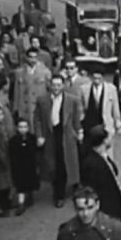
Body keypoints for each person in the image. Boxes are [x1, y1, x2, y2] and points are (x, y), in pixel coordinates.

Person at [34, 74, 83, 208]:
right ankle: (58, 194)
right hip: (51, 136)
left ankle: (74, 184)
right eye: (53, 85)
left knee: (69, 162)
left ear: (63, 86)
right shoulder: (42, 100)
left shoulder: (72, 100)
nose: (56, 88)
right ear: (49, 85)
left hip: (66, 135)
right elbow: (37, 118)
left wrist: (79, 132)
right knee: (54, 165)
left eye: (59, 85)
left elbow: (76, 119)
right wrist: (39, 135)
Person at [80, 126, 121, 221]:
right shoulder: (91, 165)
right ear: (104, 141)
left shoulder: (102, 156)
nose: (111, 139)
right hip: (107, 212)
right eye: (108, 137)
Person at [80, 66, 121, 158]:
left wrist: (118, 123)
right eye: (94, 78)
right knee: (91, 153)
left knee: (107, 153)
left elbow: (115, 108)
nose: (96, 81)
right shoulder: (84, 89)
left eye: (99, 78)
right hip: (90, 126)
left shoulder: (111, 89)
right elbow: (82, 108)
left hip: (106, 125)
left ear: (103, 78)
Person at [13, 47, 52, 126]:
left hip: (39, 105)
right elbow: (16, 91)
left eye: (35, 57)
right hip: (24, 106)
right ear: (26, 58)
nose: (33, 59)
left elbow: (49, 90)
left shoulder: (45, 72)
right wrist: (16, 108)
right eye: (30, 57)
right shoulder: (19, 72)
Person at [9, 118, 40, 215]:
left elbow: (36, 151)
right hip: (19, 165)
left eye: (25, 127)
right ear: (17, 128)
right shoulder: (13, 140)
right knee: (20, 185)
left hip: (30, 164)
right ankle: (21, 203)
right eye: (21, 127)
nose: (23, 129)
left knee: (30, 181)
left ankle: (29, 196)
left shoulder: (32, 138)